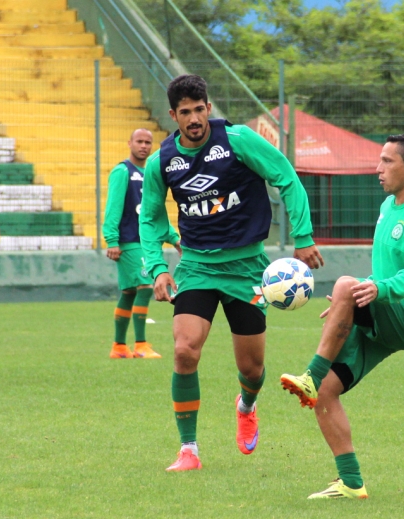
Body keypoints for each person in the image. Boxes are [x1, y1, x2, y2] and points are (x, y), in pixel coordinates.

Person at [139, 74, 324, 472]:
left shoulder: (237, 140)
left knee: (251, 368)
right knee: (185, 350)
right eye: (184, 112)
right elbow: (150, 219)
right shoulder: (161, 161)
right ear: (173, 115)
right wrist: (157, 268)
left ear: (208, 107)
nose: (193, 118)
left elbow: (286, 178)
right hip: (197, 267)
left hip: (247, 268)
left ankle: (247, 405)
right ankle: (188, 449)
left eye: (199, 109)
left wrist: (304, 237)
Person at [280, 133, 404, 499]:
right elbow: (385, 271)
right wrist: (349, 304)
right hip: (385, 308)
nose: (378, 169)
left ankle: (310, 373)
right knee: (326, 393)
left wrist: (371, 290)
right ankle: (351, 482)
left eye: (387, 161)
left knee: (344, 284)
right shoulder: (389, 206)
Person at [103, 128, 181, 359]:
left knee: (129, 292)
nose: (144, 146)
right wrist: (112, 240)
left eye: (148, 142)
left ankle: (118, 347)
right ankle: (140, 344)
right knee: (146, 286)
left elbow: (154, 213)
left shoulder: (150, 173)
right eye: (139, 141)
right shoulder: (122, 171)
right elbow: (113, 207)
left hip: (144, 241)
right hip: (129, 241)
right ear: (130, 143)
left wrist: (174, 238)